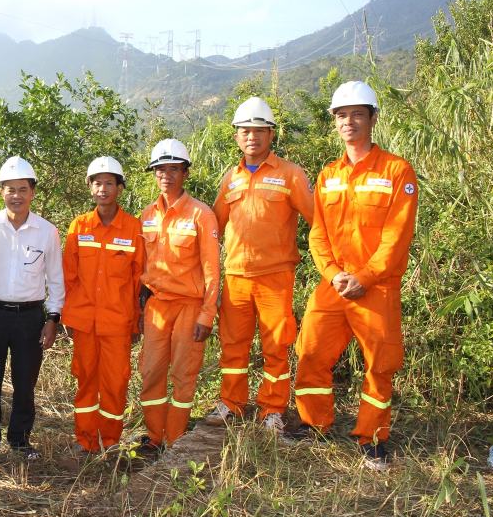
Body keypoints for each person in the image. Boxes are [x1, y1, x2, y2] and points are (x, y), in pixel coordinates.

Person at [293, 81, 418, 470]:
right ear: (335, 122)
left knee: (379, 365)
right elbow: (318, 233)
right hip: (334, 286)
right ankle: (315, 422)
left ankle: (373, 437)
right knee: (310, 351)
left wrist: (364, 276)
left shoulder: (397, 171)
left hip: (375, 287)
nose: (349, 122)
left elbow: (397, 237)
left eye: (357, 114)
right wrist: (332, 275)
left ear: (373, 118)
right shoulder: (328, 173)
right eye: (342, 115)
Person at [207, 97, 313, 434]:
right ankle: (232, 403)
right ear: (236, 136)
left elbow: (318, 221)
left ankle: (272, 410)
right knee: (233, 345)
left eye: (259, 130)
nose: (251, 136)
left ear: (271, 135)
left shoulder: (291, 175)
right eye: (245, 131)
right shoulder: (230, 180)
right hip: (236, 276)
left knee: (276, 345)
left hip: (275, 277)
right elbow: (213, 228)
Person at [0, 156, 65, 460]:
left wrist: (53, 318)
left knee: (25, 382)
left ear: (32, 192)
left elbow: (55, 278)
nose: (16, 195)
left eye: (22, 189)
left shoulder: (47, 232)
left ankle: (20, 440)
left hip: (30, 317)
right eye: (10, 189)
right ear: (0, 191)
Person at [136, 139, 220, 457]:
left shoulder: (202, 215)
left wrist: (206, 314)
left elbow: (212, 269)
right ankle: (155, 436)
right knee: (151, 371)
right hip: (157, 305)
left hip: (190, 306)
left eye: (174, 169)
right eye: (161, 170)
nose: (167, 176)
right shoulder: (147, 215)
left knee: (183, 375)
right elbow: (141, 267)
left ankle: (175, 438)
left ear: (185, 173)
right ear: (154, 174)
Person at [62, 157, 145, 455]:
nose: (103, 189)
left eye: (109, 182)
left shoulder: (133, 228)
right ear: (90, 187)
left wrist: (136, 322)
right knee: (86, 381)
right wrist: (67, 316)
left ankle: (109, 442)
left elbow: (138, 282)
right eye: (97, 183)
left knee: (114, 383)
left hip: (117, 323)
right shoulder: (79, 226)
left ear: (119, 188)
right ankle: (85, 440)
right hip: (84, 322)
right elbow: (68, 275)